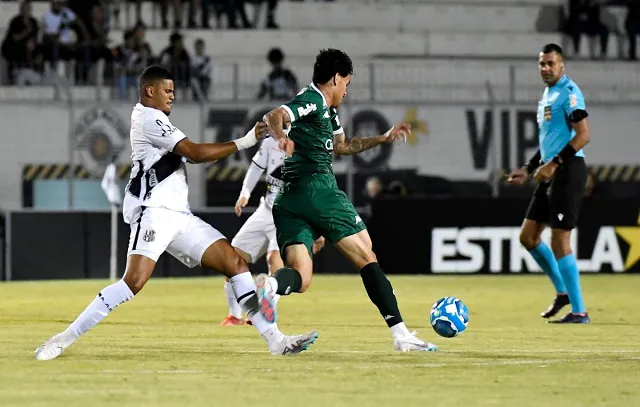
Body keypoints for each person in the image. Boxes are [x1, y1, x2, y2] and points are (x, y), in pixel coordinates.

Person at [34, 66, 318, 361]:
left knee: (236, 263)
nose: (172, 95)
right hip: (154, 212)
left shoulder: (154, 119)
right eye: (167, 90)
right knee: (133, 282)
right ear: (149, 91)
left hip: (179, 216)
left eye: (173, 90)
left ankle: (276, 341)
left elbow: (186, 153)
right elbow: (194, 153)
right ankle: (62, 339)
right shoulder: (149, 118)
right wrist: (245, 141)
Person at [259, 48, 438, 352]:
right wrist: (280, 137)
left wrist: (383, 138)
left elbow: (343, 145)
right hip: (319, 189)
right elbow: (275, 115)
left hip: (288, 198)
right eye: (346, 83)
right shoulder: (313, 99)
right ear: (335, 78)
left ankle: (272, 287)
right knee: (366, 255)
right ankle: (401, 335)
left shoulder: (327, 110)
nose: (346, 90)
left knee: (301, 278)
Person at [507, 43, 590, 324]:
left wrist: (554, 164)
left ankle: (579, 311)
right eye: (542, 64)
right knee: (528, 237)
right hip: (549, 171)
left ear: (561, 65)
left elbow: (583, 136)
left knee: (559, 239)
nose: (545, 68)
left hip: (567, 171)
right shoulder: (547, 95)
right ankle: (563, 293)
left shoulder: (569, 93)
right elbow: (548, 144)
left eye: (550, 64)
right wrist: (528, 170)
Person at [220, 135, 325, 326]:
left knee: (274, 259)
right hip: (266, 210)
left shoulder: (312, 148)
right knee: (231, 258)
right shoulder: (271, 141)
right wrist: (245, 193)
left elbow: (318, 192)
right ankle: (235, 316)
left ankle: (265, 307)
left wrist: (318, 228)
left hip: (289, 215)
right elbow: (256, 167)